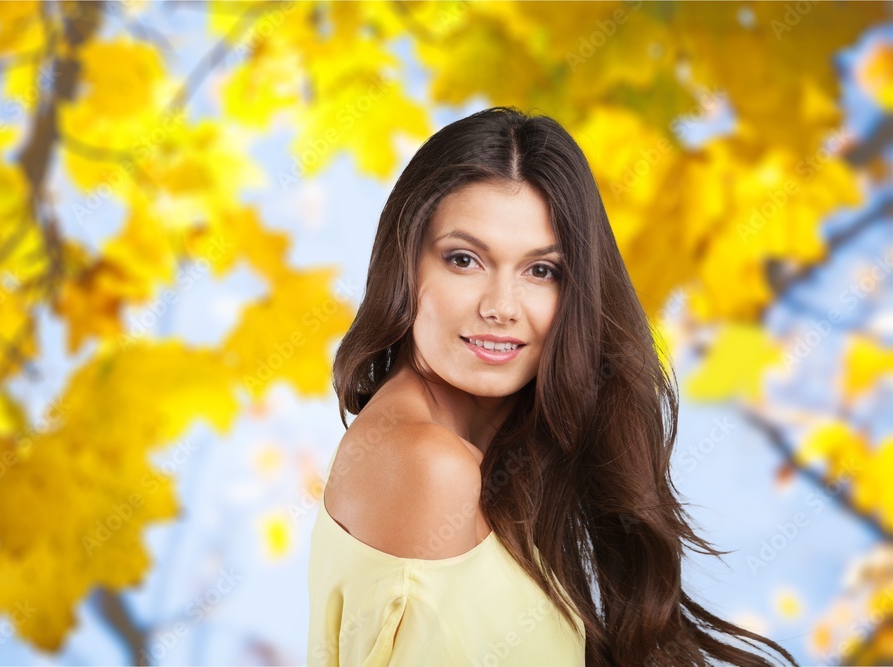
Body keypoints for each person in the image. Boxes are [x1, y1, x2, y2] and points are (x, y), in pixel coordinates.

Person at [306, 106, 798, 666]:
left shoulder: (495, 463)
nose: (500, 308)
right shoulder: (427, 462)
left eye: (541, 271)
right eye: (464, 260)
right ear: (405, 266)